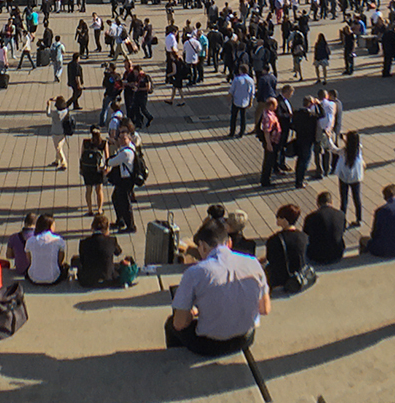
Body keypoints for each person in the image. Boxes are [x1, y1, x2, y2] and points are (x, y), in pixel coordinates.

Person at [165, 217, 271, 357]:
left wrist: (192, 313)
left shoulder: (194, 273)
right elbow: (265, 309)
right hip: (245, 338)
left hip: (210, 345)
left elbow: (179, 324)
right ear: (229, 242)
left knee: (170, 324)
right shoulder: (253, 263)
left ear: (202, 246)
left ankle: (176, 361)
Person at [262, 204, 310, 291]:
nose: (277, 219)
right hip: (299, 275)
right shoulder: (303, 236)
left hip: (280, 278)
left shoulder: (274, 240)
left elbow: (270, 259)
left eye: (279, 217)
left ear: (285, 220)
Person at [363, 184, 395, 259]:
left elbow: (375, 233)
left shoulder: (381, 211)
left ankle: (364, 257)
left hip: (383, 249)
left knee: (363, 240)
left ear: (385, 198)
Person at [106, 122, 139, 234]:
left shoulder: (125, 152)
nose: (120, 140)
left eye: (123, 138)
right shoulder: (130, 147)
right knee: (115, 198)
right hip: (124, 178)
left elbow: (112, 162)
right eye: (120, 138)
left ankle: (131, 226)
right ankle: (120, 220)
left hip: (126, 180)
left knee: (125, 203)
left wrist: (107, 159)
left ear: (128, 139)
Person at [74, 213, 124, 287]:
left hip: (88, 281)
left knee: (75, 260)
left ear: (92, 228)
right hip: (108, 279)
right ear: (107, 228)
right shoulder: (111, 240)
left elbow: (82, 259)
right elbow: (118, 252)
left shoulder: (84, 242)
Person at [23, 214, 68, 286]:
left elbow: (29, 259)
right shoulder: (58, 240)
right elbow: (60, 260)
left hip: (33, 277)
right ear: (50, 226)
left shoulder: (30, 241)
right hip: (53, 277)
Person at [303, 191, 346, 265]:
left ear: (318, 204)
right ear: (331, 202)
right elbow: (343, 230)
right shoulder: (341, 214)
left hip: (317, 256)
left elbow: (305, 234)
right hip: (337, 254)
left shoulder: (311, 217)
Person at [334, 130, 365, 226]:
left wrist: (329, 139)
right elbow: (353, 144)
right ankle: (359, 219)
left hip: (344, 177)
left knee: (344, 200)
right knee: (357, 198)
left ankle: (343, 220)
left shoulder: (344, 151)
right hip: (356, 178)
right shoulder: (358, 150)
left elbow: (335, 150)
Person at [80, 127, 109, 215]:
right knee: (99, 189)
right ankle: (99, 209)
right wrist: (106, 168)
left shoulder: (86, 142)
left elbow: (82, 156)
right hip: (98, 169)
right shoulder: (103, 143)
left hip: (87, 169)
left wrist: (81, 168)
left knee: (88, 190)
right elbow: (107, 157)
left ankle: (90, 210)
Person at [227, 64, 254, 138]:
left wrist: (229, 99)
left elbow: (232, 90)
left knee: (234, 117)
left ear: (240, 70)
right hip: (245, 101)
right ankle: (241, 132)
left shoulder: (236, 79)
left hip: (236, 100)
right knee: (243, 117)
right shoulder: (251, 80)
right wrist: (251, 102)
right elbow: (252, 93)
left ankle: (232, 132)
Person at [46, 96, 70, 169]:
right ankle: (57, 160)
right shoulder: (66, 111)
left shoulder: (55, 113)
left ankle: (64, 162)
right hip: (63, 132)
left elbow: (48, 114)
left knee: (58, 148)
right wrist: (57, 98)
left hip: (55, 133)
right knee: (58, 147)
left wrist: (48, 105)